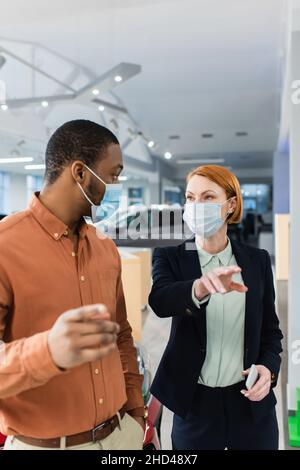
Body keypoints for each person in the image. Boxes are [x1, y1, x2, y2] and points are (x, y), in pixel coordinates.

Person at [0, 120, 145, 451]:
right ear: (80, 173)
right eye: (114, 174)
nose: (118, 186)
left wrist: (136, 413)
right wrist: (49, 350)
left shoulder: (105, 246)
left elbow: (121, 334)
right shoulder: (4, 247)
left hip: (121, 436)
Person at [149, 165, 283, 450]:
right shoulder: (170, 256)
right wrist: (201, 286)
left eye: (208, 197)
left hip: (249, 403)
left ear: (230, 204)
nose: (196, 206)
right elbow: (160, 300)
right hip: (196, 404)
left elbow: (271, 332)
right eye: (190, 197)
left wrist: (269, 370)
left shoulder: (256, 260)